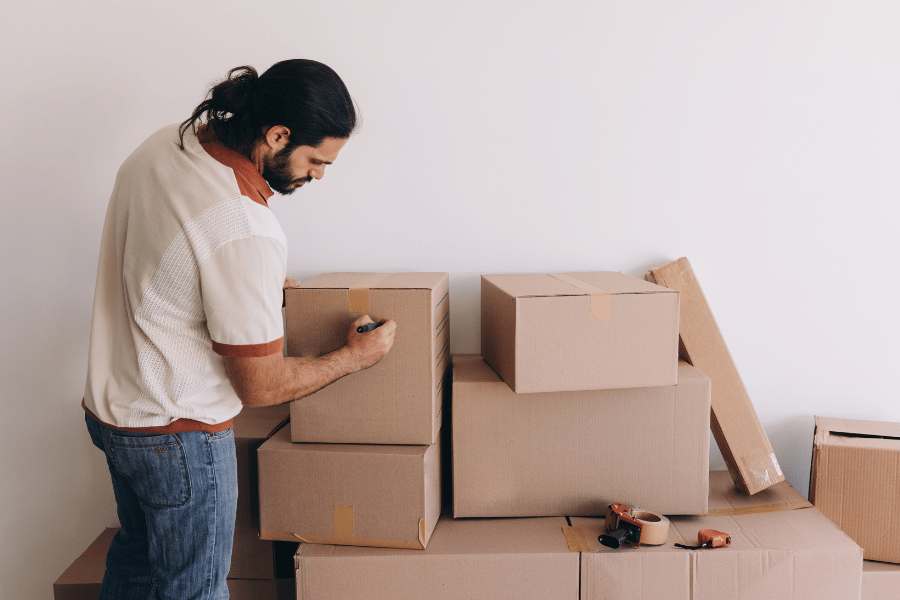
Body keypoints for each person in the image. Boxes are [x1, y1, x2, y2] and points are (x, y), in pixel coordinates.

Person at [82, 59, 396, 600]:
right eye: (316, 159)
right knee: (194, 592)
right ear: (277, 135)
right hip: (178, 438)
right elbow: (261, 388)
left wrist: (246, 287)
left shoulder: (166, 145)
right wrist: (354, 359)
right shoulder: (244, 226)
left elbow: (174, 259)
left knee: (137, 570)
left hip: (113, 416)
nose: (319, 175)